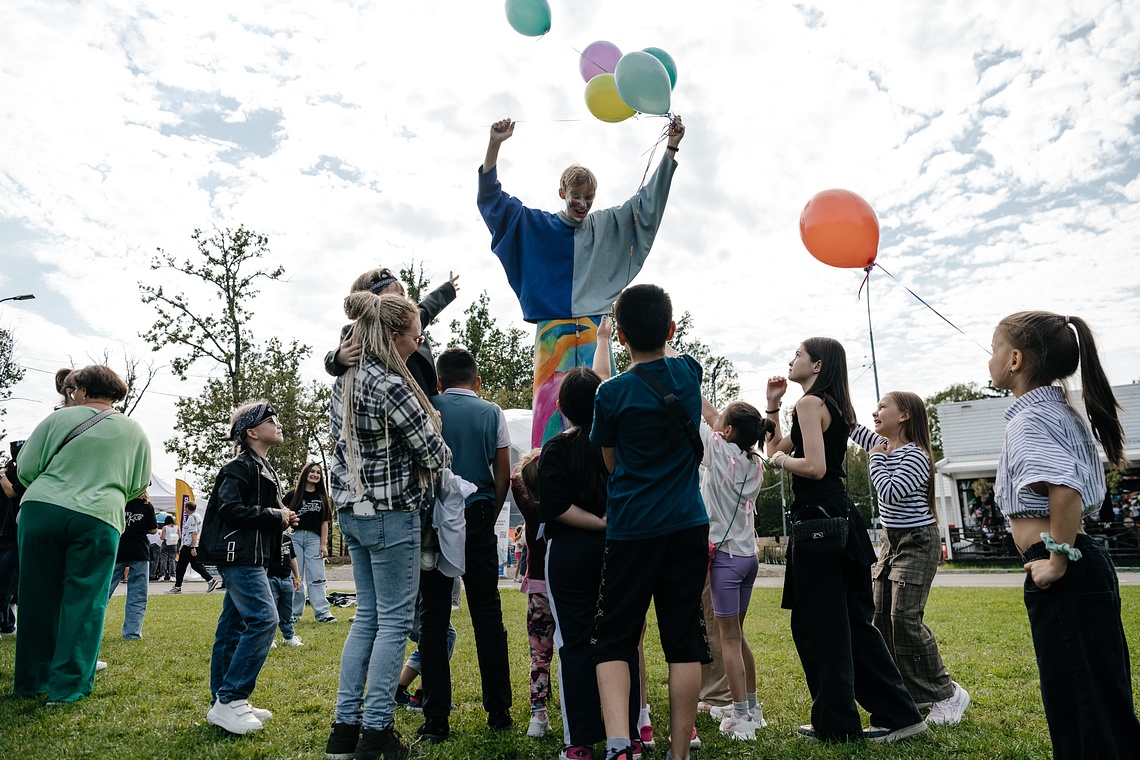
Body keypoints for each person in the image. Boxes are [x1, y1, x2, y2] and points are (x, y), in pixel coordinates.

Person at [478, 116, 685, 447]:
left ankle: (603, 485)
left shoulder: (604, 225)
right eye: (577, 196)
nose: (584, 205)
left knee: (603, 416)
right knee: (550, 423)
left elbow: (648, 205)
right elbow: (492, 202)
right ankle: (547, 485)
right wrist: (495, 144)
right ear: (562, 192)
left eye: (589, 198)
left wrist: (671, 147)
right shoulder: (537, 225)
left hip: (595, 333)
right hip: (552, 334)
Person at [989, 311, 1140, 758]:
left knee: (1077, 696)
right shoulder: (1056, 411)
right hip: (1081, 564)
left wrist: (1056, 559)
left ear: (1015, 359)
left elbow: (1065, 487)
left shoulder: (1029, 419)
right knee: (1098, 691)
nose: (990, 357)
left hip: (1065, 569)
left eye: (994, 348)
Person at [765, 339, 926, 744]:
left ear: (817, 364)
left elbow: (813, 467)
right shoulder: (829, 406)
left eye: (798, 354)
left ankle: (837, 723)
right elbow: (774, 449)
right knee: (851, 625)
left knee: (820, 626)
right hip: (841, 523)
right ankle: (897, 713)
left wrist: (783, 461)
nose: (791, 360)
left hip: (820, 526)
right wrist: (772, 405)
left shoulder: (809, 405)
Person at [325, 292, 449, 760]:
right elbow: (434, 454)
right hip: (392, 515)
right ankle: (375, 732)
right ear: (394, 336)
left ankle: (344, 730)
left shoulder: (347, 379)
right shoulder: (392, 385)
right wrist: (437, 431)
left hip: (352, 511)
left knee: (367, 620)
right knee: (394, 623)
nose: (419, 345)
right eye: (416, 337)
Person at [589, 284, 709, 760]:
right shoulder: (689, 373)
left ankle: (620, 746)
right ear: (672, 330)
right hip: (686, 524)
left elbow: (611, 463)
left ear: (619, 336)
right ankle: (678, 754)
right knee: (683, 641)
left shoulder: (611, 394)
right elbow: (669, 351)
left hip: (632, 528)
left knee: (615, 638)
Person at [14, 364, 151, 702]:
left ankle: (31, 682)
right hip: (99, 515)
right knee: (86, 601)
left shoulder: (57, 419)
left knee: (35, 598)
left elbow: (26, 468)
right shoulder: (134, 430)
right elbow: (138, 484)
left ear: (84, 390)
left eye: (75, 389)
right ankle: (67, 688)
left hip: (43, 508)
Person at [540, 366, 641, 760]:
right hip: (617, 551)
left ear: (563, 408)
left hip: (569, 554)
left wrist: (594, 522)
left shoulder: (556, 448)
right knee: (622, 642)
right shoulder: (619, 445)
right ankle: (628, 734)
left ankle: (579, 742)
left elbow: (556, 506)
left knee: (575, 645)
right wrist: (607, 522)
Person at [849, 392, 969, 724]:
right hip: (891, 541)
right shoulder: (883, 444)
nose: (875, 412)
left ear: (903, 416)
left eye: (882, 407)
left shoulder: (916, 456)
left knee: (904, 618)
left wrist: (874, 457)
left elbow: (888, 491)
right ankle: (908, 695)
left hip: (917, 541)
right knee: (883, 619)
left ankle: (947, 694)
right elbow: (849, 425)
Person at [427, 347, 513, 737]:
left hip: (434, 519)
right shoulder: (492, 412)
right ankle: (499, 711)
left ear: (440, 381)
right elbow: (503, 474)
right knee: (487, 616)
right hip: (478, 512)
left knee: (434, 617)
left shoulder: (430, 405)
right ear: (477, 382)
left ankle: (436, 719)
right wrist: (491, 514)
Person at [198, 399, 298, 735]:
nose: (279, 423)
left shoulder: (264, 467)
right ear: (252, 431)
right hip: (238, 557)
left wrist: (283, 519)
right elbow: (229, 508)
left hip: (252, 556)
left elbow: (257, 512)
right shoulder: (239, 467)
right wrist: (275, 515)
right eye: (272, 419)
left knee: (232, 626)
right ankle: (232, 698)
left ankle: (220, 702)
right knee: (264, 619)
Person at [695, 397, 773, 740]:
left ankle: (740, 717)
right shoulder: (753, 462)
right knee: (738, 636)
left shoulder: (717, 452)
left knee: (728, 639)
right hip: (748, 558)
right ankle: (752, 709)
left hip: (724, 559)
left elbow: (704, 416)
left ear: (727, 431)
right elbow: (715, 418)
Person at [325, 266, 460, 399]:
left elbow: (429, 306)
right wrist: (338, 358)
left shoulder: (410, 322)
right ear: (372, 301)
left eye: (403, 296)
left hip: (424, 399)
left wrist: (448, 289)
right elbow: (333, 361)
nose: (403, 301)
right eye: (397, 296)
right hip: (387, 401)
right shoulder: (356, 332)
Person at [509, 449, 553, 739]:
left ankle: (538, 717)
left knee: (540, 656)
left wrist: (532, 458)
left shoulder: (528, 504)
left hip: (538, 589)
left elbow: (514, 479)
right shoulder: (563, 504)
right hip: (569, 587)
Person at [283, 462, 337, 623]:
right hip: (294, 538)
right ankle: (293, 614)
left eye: (318, 473)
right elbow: (281, 515)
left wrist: (323, 544)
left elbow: (324, 522)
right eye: (312, 471)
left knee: (317, 577)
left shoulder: (322, 497)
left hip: (314, 539)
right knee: (295, 577)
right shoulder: (292, 495)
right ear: (305, 473)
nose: (315, 474)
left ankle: (323, 613)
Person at [106, 491, 159, 639]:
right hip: (139, 551)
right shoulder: (146, 505)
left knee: (104, 592)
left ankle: (90, 628)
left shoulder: (119, 501)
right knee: (137, 595)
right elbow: (153, 528)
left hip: (118, 549)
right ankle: (132, 633)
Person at [0, 452, 26, 637]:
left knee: (6, 583)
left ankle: (7, 625)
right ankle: (7, 625)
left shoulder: (26, 476)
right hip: (7, 533)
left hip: (15, 534)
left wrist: (2, 475)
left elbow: (12, 492)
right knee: (5, 583)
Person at [167, 501, 217, 594]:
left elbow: (194, 532)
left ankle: (177, 586)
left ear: (187, 508)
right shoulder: (197, 516)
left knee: (181, 566)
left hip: (190, 545)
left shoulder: (192, 518)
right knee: (195, 565)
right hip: (192, 544)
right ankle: (210, 580)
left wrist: (193, 547)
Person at [268, 529, 303, 648]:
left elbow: (293, 558)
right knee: (271, 610)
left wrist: (297, 577)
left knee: (287, 611)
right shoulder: (266, 538)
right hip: (271, 578)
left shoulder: (287, 540)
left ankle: (288, 636)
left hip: (287, 579)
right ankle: (269, 638)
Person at [159, 515, 178, 581]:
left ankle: (163, 575)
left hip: (166, 543)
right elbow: (180, 536)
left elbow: (162, 537)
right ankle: (172, 575)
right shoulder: (177, 527)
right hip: (174, 544)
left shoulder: (165, 527)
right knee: (172, 560)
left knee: (164, 560)